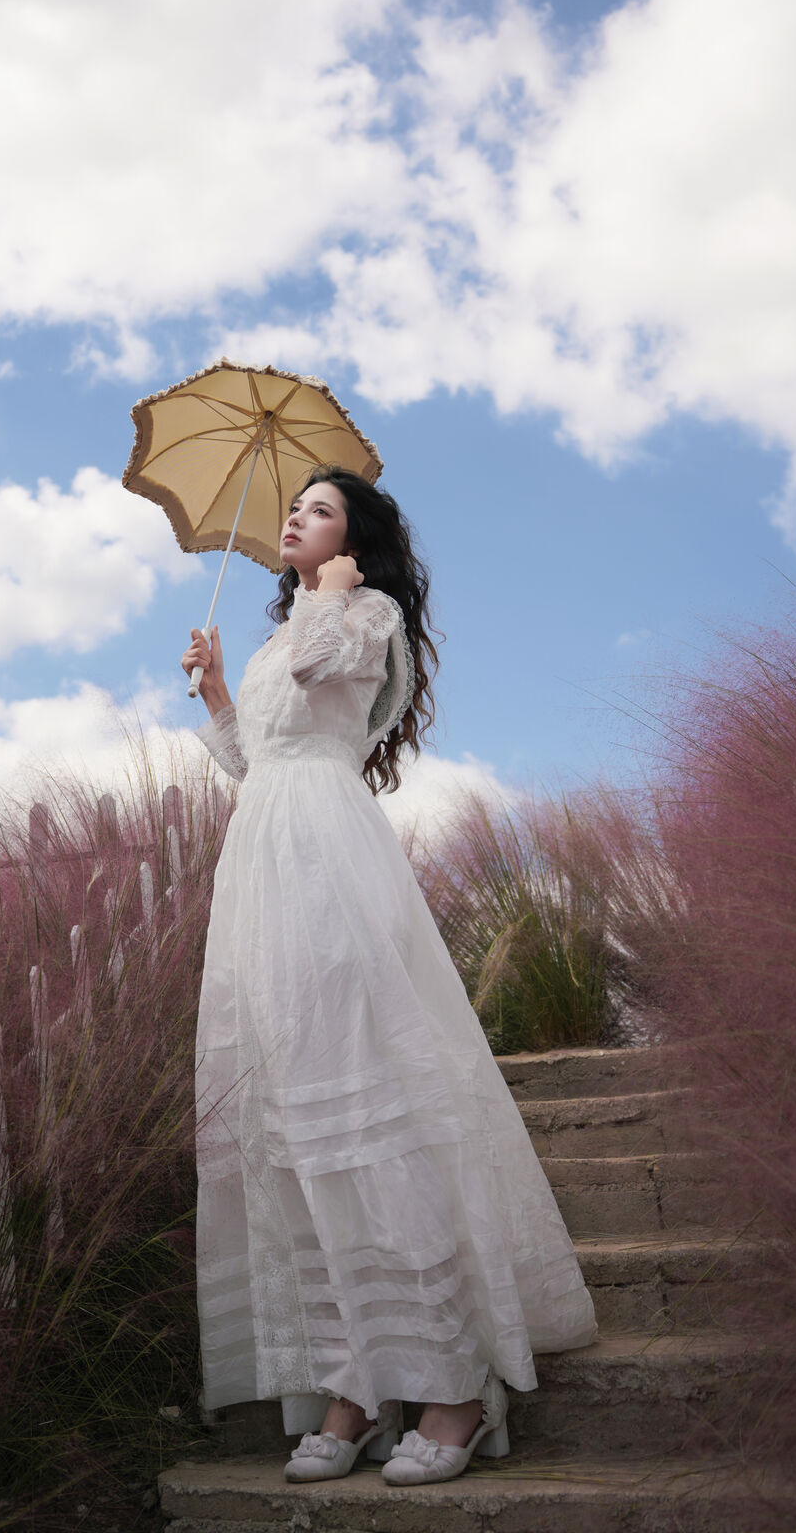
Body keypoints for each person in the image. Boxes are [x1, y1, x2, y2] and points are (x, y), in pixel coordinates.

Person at [179, 465, 597, 1487]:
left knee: (370, 1101)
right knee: (293, 1120)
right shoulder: (285, 633)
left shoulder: (361, 615)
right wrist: (221, 691)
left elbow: (325, 684)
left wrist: (327, 597)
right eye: (293, 507)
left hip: (330, 858)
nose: (295, 518)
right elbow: (257, 761)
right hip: (261, 864)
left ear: (354, 541)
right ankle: (356, 1387)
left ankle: (454, 1386)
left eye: (318, 511)